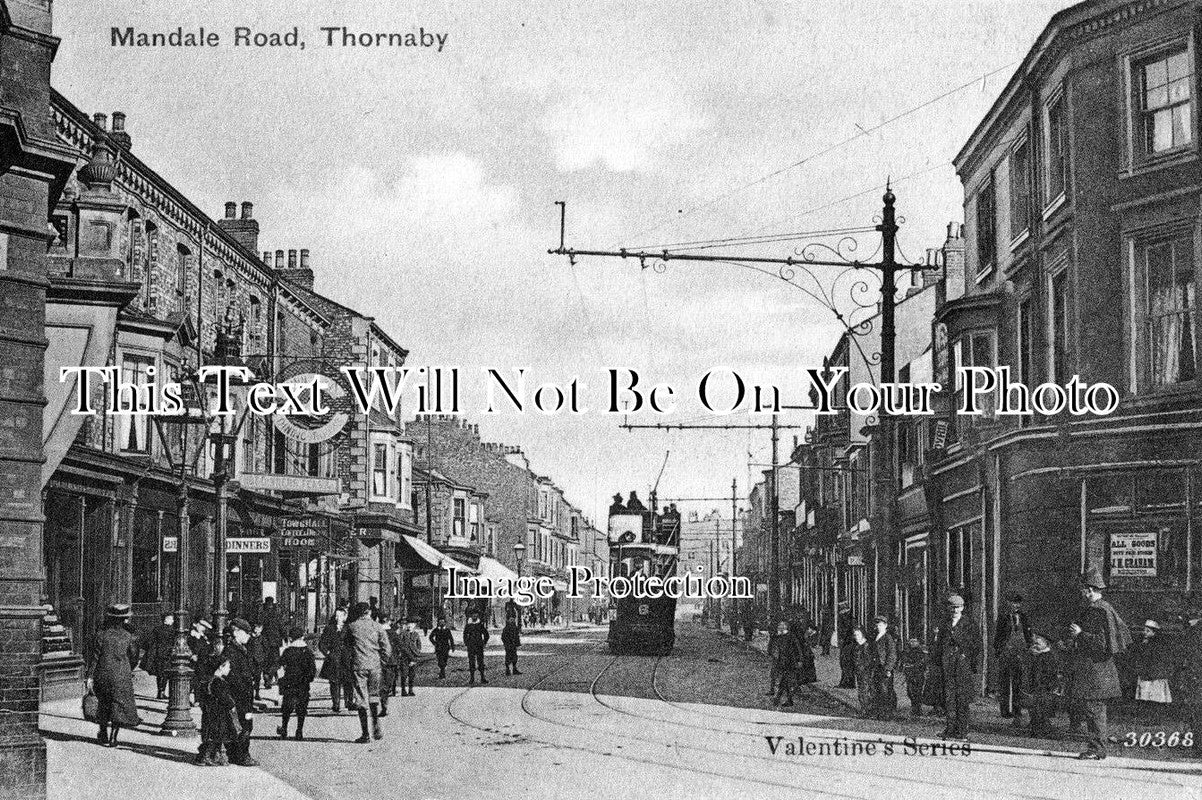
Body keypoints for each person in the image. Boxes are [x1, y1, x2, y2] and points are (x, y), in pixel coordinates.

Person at [1066, 567, 1130, 760]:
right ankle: (1096, 747)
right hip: (1099, 669)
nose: (1082, 593)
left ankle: (1097, 749)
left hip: (1096, 670)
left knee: (1094, 710)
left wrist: (1079, 634)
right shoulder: (1104, 608)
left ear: (1090, 590)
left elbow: (1101, 644)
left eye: (1084, 589)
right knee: (1094, 709)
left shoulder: (1097, 611)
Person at [86, 604, 142, 748]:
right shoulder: (129, 636)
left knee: (103, 703)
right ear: (124, 619)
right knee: (118, 705)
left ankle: (103, 732)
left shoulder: (101, 634)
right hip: (121, 674)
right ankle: (113, 738)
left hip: (102, 673)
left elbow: (94, 657)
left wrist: (90, 676)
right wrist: (127, 668)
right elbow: (134, 657)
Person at [932, 594, 979, 741]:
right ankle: (950, 728)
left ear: (963, 608)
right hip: (947, 664)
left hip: (962, 665)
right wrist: (937, 662)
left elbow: (976, 645)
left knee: (962, 699)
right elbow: (939, 645)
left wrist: (966, 657)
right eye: (952, 607)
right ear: (948, 608)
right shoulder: (944, 624)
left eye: (958, 607)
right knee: (949, 699)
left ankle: (962, 731)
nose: (955, 610)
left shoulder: (970, 624)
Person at [345, 601, 391, 743]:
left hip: (359, 666)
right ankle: (376, 724)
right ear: (369, 612)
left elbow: (345, 648)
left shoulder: (351, 627)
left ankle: (365, 734)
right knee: (373, 696)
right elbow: (387, 649)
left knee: (361, 698)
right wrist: (381, 662)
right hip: (375, 666)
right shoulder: (377, 627)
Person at [225, 617, 260, 766]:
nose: (249, 636)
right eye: (246, 633)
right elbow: (234, 676)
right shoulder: (232, 651)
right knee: (245, 724)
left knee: (241, 723)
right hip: (240, 694)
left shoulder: (241, 649)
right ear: (237, 633)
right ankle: (242, 756)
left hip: (243, 693)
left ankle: (235, 754)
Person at [994, 592, 1032, 725]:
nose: (1015, 605)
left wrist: (1029, 648)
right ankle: (1005, 710)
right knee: (1005, 682)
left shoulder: (1024, 617)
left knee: (1018, 683)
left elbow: (1028, 634)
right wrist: (998, 650)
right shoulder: (1003, 617)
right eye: (1012, 602)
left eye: (1017, 603)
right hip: (1006, 652)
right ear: (1008, 603)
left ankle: (1017, 710)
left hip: (1020, 653)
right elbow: (998, 636)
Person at [198, 656, 240, 767]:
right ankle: (205, 757)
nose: (229, 669)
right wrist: (231, 705)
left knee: (212, 735)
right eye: (228, 666)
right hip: (218, 714)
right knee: (215, 735)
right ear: (221, 667)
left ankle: (214, 756)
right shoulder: (218, 682)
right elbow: (224, 698)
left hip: (210, 713)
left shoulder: (208, 680)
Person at [276, 626, 316, 740]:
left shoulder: (288, 651)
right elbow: (312, 670)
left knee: (287, 708)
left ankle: (284, 728)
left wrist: (282, 678)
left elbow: (280, 665)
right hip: (303, 684)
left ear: (291, 638)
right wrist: (308, 679)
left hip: (290, 682)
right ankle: (299, 731)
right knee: (302, 708)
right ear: (302, 637)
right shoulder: (307, 651)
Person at [1130, 619, 1173, 720]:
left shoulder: (1157, 645)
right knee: (1146, 697)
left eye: (1148, 631)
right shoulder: (1144, 643)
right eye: (1144, 630)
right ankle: (1146, 717)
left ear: (1154, 633)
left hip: (1154, 674)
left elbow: (1156, 659)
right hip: (1146, 673)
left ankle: (1155, 718)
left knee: (1155, 697)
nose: (1145, 633)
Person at [1176, 604, 1202, 758]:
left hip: (1196, 677)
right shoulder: (1194, 630)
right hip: (1196, 676)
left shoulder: (1194, 631)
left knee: (1197, 711)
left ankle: (1199, 745)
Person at [1026, 634, 1062, 739]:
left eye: (1037, 643)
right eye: (1034, 643)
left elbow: (1052, 673)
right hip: (1037, 687)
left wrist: (1049, 686)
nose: (1035, 645)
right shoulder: (1037, 655)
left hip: (1045, 687)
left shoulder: (1049, 656)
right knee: (1036, 709)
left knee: (1042, 710)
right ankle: (1037, 730)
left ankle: (1042, 731)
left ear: (1045, 644)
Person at [318, 607, 352, 712]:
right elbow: (322, 644)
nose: (338, 618)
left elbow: (353, 643)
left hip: (346, 659)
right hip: (334, 659)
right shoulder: (329, 628)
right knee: (334, 682)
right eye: (336, 615)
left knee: (348, 681)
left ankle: (349, 702)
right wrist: (327, 653)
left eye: (340, 615)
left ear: (345, 617)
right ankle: (336, 704)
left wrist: (351, 653)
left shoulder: (349, 628)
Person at [871, 615, 898, 719]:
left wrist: (888, 669)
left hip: (885, 668)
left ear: (885, 626)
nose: (878, 626)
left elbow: (892, 654)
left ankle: (888, 713)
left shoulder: (888, 638)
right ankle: (879, 712)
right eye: (877, 624)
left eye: (881, 624)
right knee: (877, 689)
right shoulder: (875, 636)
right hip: (876, 667)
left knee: (886, 690)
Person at [143, 612, 175, 700]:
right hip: (168, 653)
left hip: (158, 653)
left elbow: (150, 640)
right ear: (167, 620)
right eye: (171, 619)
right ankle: (163, 692)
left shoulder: (157, 629)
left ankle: (160, 691)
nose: (173, 620)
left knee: (160, 673)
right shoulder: (172, 630)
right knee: (166, 673)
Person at [772, 620, 802, 708]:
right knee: (784, 682)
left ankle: (779, 698)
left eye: (781, 626)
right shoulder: (778, 637)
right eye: (779, 626)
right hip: (781, 663)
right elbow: (775, 650)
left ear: (785, 627)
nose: (779, 628)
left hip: (790, 663)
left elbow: (798, 649)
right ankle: (786, 699)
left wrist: (799, 660)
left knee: (785, 682)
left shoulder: (791, 637)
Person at [258, 597, 285, 690]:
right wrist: (285, 637)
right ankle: (269, 676)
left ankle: (266, 677)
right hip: (275, 642)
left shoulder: (262, 614)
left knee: (265, 661)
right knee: (275, 661)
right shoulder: (276, 614)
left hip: (264, 642)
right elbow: (281, 627)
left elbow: (259, 626)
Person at [899, 637, 928, 716]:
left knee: (918, 691)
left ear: (918, 642)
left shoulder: (922, 651)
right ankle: (913, 706)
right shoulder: (906, 651)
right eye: (910, 641)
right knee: (910, 691)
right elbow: (903, 659)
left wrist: (913, 665)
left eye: (914, 641)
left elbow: (923, 662)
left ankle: (917, 708)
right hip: (909, 674)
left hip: (918, 673)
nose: (912, 643)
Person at [852, 626, 876, 717]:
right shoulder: (857, 646)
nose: (856, 637)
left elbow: (868, 661)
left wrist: (862, 668)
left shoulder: (866, 646)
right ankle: (864, 709)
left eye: (858, 634)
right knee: (861, 691)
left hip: (866, 673)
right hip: (860, 673)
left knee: (866, 691)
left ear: (863, 635)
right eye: (855, 635)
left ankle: (867, 710)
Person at [396, 618, 422, 696]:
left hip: (414, 657)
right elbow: (400, 645)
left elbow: (419, 645)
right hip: (404, 657)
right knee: (404, 674)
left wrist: (417, 652)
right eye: (408, 625)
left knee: (412, 675)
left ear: (414, 626)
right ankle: (403, 690)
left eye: (412, 625)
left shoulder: (416, 634)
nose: (410, 626)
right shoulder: (403, 634)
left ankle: (411, 690)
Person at [463, 610, 490, 684]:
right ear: (471, 616)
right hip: (471, 646)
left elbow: (486, 635)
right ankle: (472, 678)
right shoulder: (468, 625)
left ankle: (482, 678)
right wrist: (467, 643)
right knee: (471, 662)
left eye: (476, 615)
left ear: (477, 616)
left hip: (479, 646)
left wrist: (484, 642)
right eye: (473, 615)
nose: (474, 616)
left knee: (480, 662)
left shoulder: (480, 625)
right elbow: (465, 635)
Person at [247, 623, 266, 701]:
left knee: (257, 677)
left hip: (259, 660)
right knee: (249, 677)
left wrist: (263, 656)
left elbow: (266, 649)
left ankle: (257, 693)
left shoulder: (262, 638)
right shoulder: (250, 638)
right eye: (256, 628)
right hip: (250, 660)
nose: (257, 630)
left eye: (259, 629)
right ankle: (249, 694)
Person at [765, 622, 783, 696]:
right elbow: (770, 646)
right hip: (776, 655)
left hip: (782, 655)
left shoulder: (782, 637)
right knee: (774, 673)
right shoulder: (774, 637)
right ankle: (772, 689)